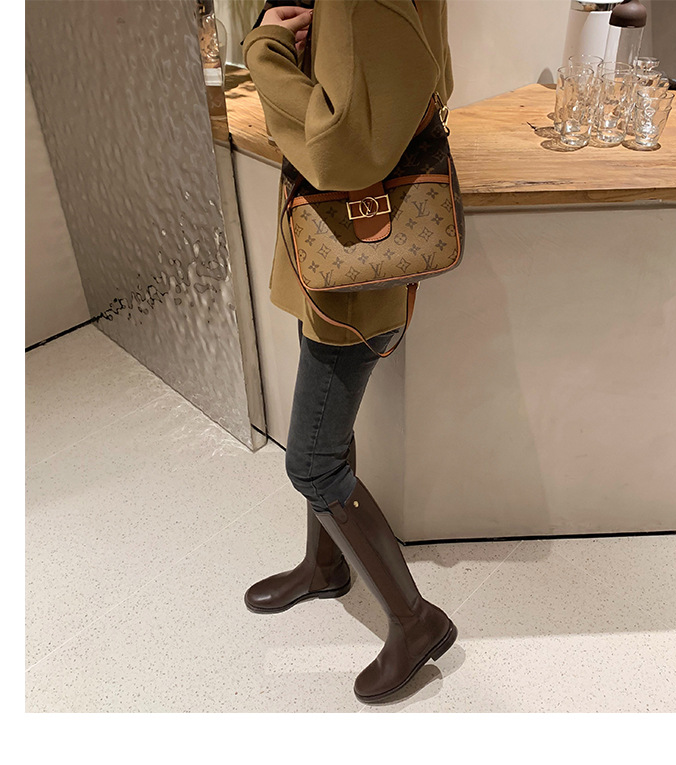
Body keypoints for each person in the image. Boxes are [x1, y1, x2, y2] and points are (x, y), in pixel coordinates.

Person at [240, 0, 457, 705]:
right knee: (328, 434)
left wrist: (266, 52)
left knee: (311, 460)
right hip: (337, 260)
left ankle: (416, 621)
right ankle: (325, 565)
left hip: (354, 270)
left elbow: (342, 152)